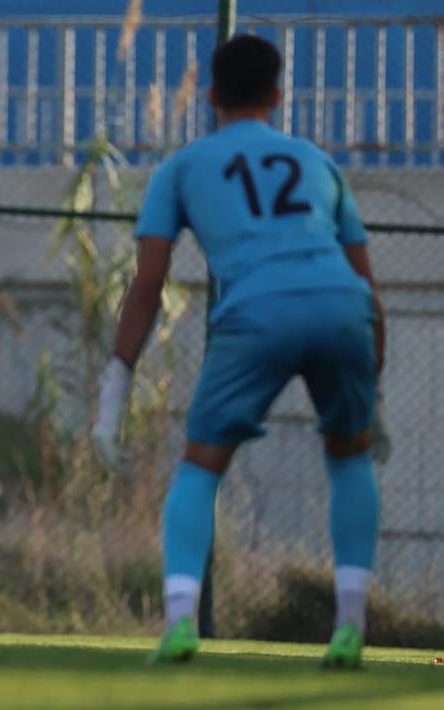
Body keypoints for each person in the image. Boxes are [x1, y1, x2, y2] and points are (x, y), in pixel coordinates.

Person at [91, 35, 385, 668]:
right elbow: (367, 287)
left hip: (257, 313)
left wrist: (114, 390)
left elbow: (147, 287)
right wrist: (374, 396)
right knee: (350, 456)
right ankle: (351, 625)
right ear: (278, 96)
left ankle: (179, 622)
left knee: (201, 467)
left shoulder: (183, 167)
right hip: (341, 307)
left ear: (210, 95)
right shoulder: (316, 162)